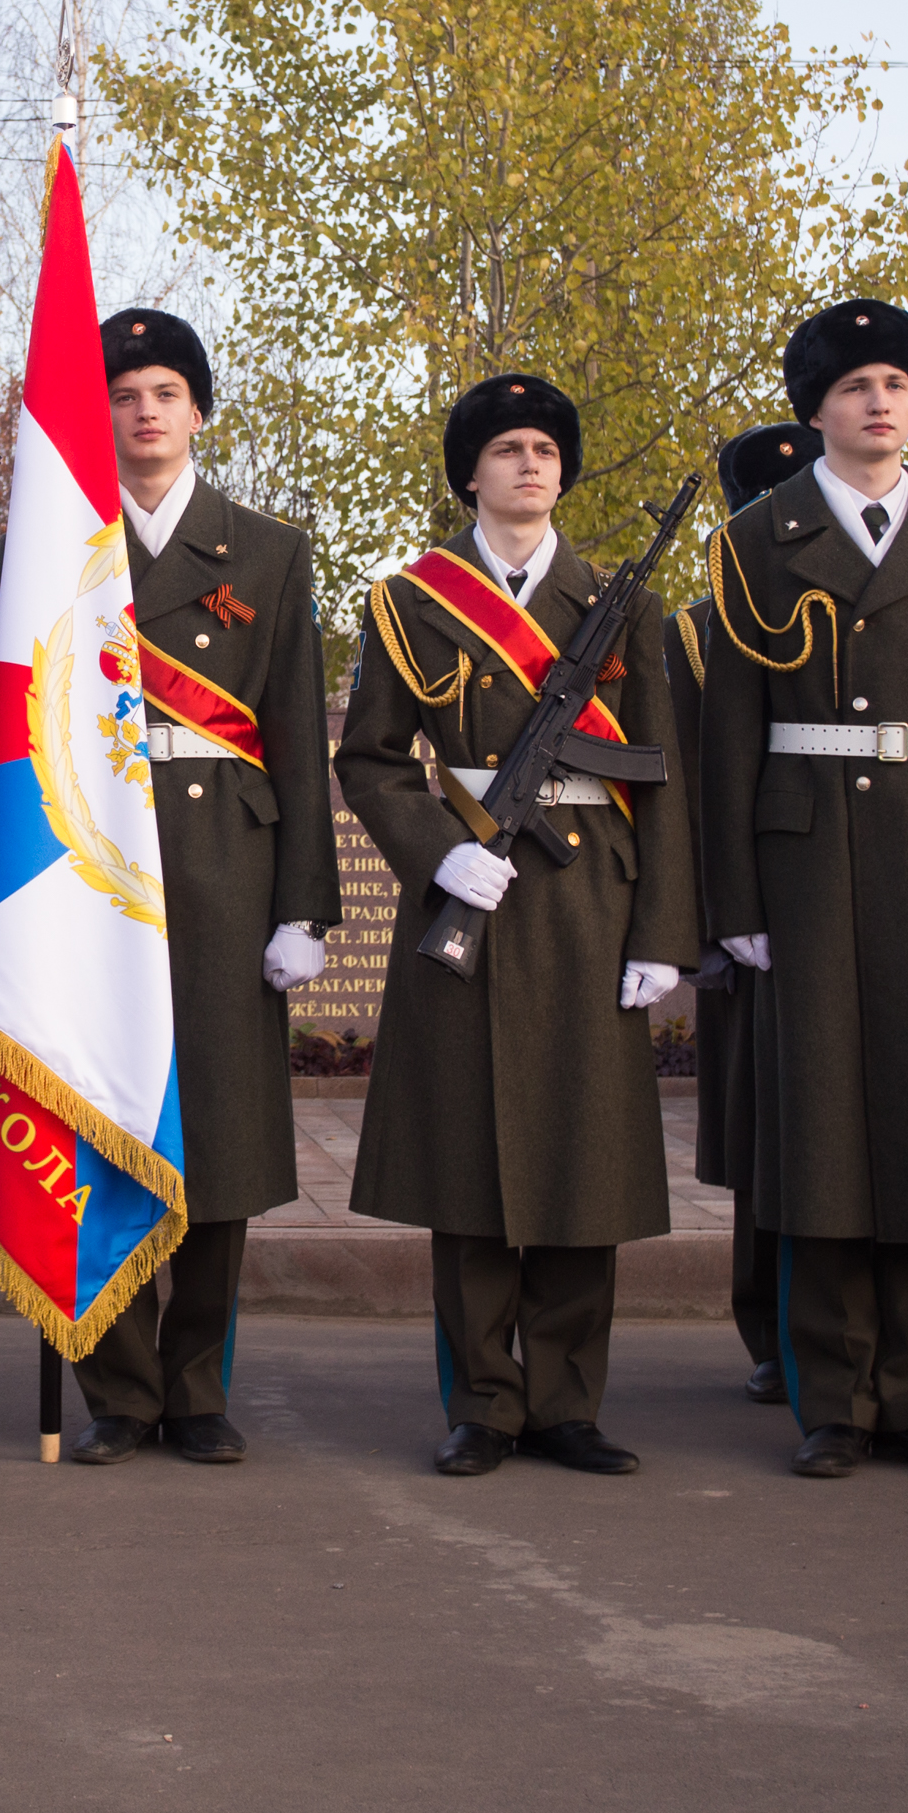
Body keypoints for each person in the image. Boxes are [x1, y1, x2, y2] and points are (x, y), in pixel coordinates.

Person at [698, 302, 908, 1482]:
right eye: (851, 387)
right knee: (827, 1134)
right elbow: (730, 732)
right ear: (816, 409)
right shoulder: (758, 539)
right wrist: (732, 898)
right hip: (811, 854)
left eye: (894, 382)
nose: (877, 403)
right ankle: (832, 1396)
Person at [341, 371, 691, 1478]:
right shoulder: (408, 603)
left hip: (592, 902)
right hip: (471, 893)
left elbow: (664, 777)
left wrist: (661, 936)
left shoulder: (623, 605)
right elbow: (370, 758)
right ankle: (485, 1403)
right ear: (470, 474)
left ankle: (568, 1404)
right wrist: (436, 850)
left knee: (582, 1164)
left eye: (545, 448)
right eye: (506, 449)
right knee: (472, 1168)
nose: (529, 464)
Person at [63, 309, 342, 1468]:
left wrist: (303, 906)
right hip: (96, 871)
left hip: (226, 864)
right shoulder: (59, 544)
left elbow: (292, 735)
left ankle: (196, 1386)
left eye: (166, 390)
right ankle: (118, 1395)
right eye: (124, 392)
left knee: (215, 1141)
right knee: (104, 1130)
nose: (143, 411)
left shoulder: (267, 549)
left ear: (198, 411)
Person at [672, 422, 819, 1411]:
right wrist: (704, 927)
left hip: (833, 891)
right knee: (772, 1137)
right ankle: (769, 1324)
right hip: (745, 919)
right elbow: (689, 787)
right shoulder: (695, 627)